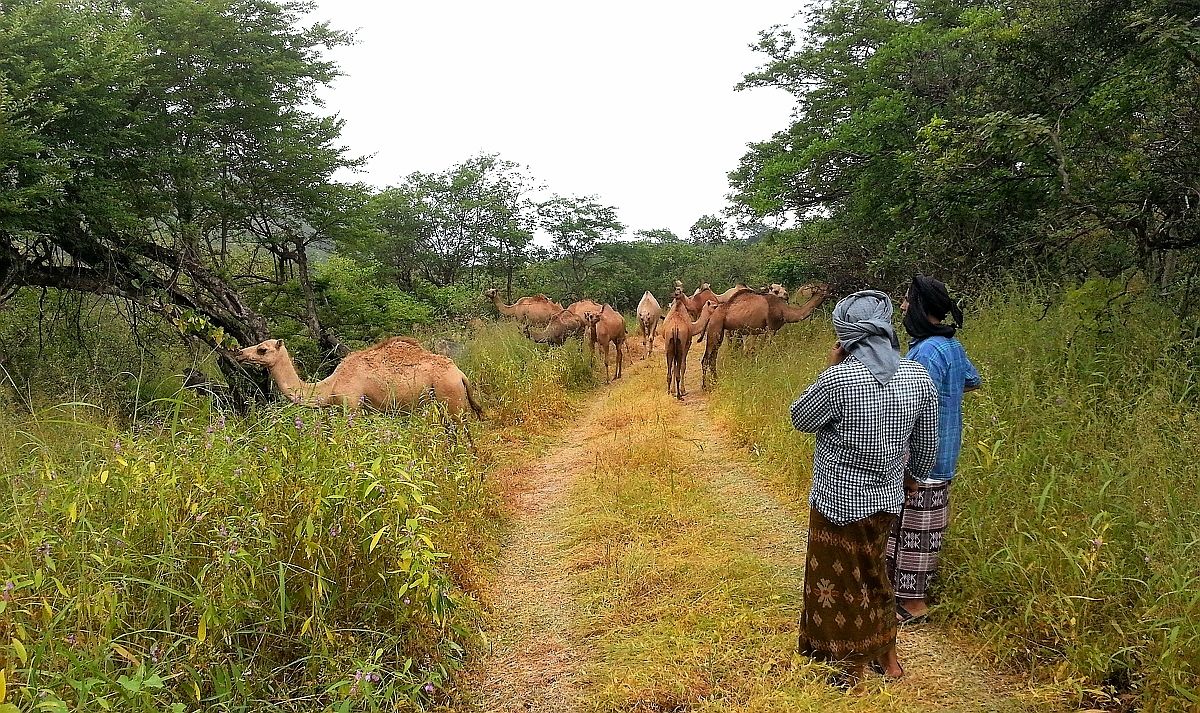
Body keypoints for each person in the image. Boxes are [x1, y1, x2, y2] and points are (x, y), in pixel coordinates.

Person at [790, 290, 939, 684]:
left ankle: (848, 667)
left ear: (846, 333)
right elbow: (927, 443)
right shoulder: (917, 376)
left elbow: (801, 418)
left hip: (837, 502)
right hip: (887, 499)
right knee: (876, 575)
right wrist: (911, 479)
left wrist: (829, 368)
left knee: (840, 581)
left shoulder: (838, 379)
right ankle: (889, 661)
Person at [888, 275, 982, 625]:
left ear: (920, 306)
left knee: (916, 531)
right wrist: (948, 393)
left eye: (906, 300)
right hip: (945, 453)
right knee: (923, 528)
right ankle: (903, 598)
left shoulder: (926, 352)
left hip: (923, 457)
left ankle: (913, 605)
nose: (902, 306)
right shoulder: (950, 346)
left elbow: (909, 402)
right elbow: (972, 380)